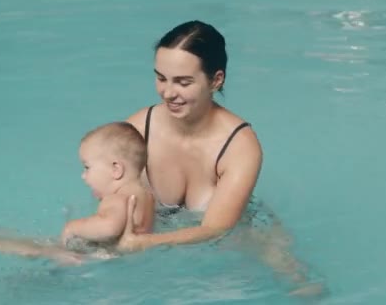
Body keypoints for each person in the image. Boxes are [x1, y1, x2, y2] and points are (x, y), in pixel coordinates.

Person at [116, 20, 321, 295]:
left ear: (216, 80)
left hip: (236, 238)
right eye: (161, 78)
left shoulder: (240, 146)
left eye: (183, 82)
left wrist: (144, 244)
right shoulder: (138, 130)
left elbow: (216, 229)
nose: (168, 93)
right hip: (158, 234)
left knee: (305, 289)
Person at [0, 122, 155, 264]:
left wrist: (74, 226)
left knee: (43, 248)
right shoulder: (147, 196)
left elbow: (110, 226)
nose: (84, 176)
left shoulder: (117, 199)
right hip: (123, 258)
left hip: (95, 259)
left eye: (87, 167)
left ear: (116, 169)